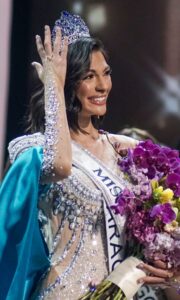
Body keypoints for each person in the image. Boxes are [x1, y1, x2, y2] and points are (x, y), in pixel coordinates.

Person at [0, 11, 179, 300]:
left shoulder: (122, 149)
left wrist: (173, 268)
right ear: (68, 83)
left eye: (105, 73)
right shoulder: (31, 149)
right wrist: (53, 87)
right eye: (88, 76)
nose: (102, 86)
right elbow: (59, 165)